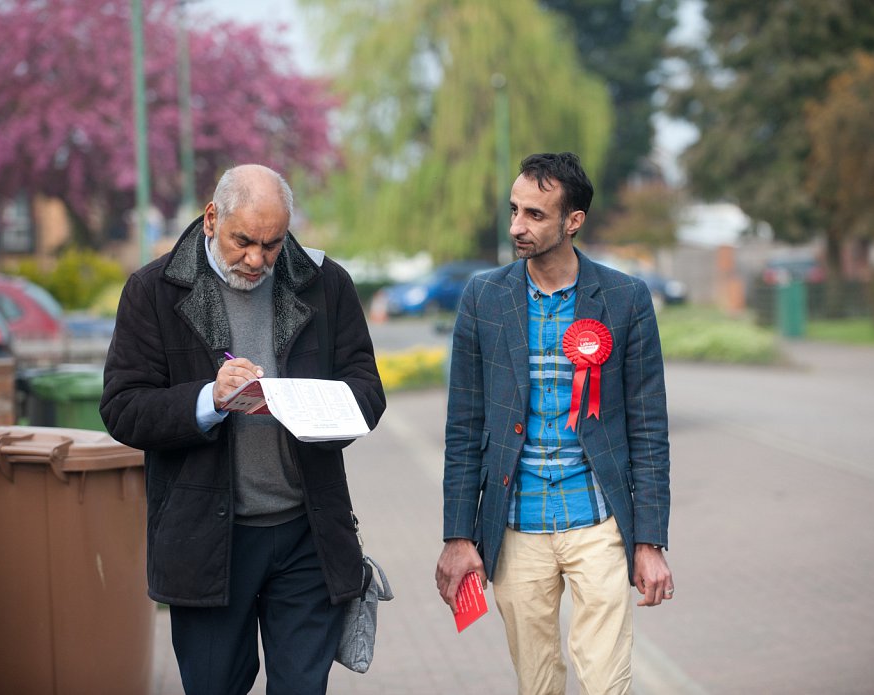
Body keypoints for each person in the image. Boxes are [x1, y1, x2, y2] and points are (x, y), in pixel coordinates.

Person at [101, 164, 385, 695]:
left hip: (307, 534)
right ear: (212, 218)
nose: (256, 259)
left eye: (272, 244)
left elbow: (368, 392)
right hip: (208, 540)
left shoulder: (326, 284)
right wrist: (209, 398)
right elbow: (122, 408)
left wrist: (314, 406)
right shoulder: (153, 291)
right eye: (243, 241)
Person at [436, 152, 673, 694]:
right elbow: (464, 427)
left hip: (599, 519)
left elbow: (648, 427)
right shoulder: (483, 298)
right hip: (516, 523)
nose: (517, 226)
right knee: (537, 682)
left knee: (605, 680)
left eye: (535, 215)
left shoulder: (624, 298)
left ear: (573, 221)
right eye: (515, 210)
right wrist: (457, 535)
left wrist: (650, 541)